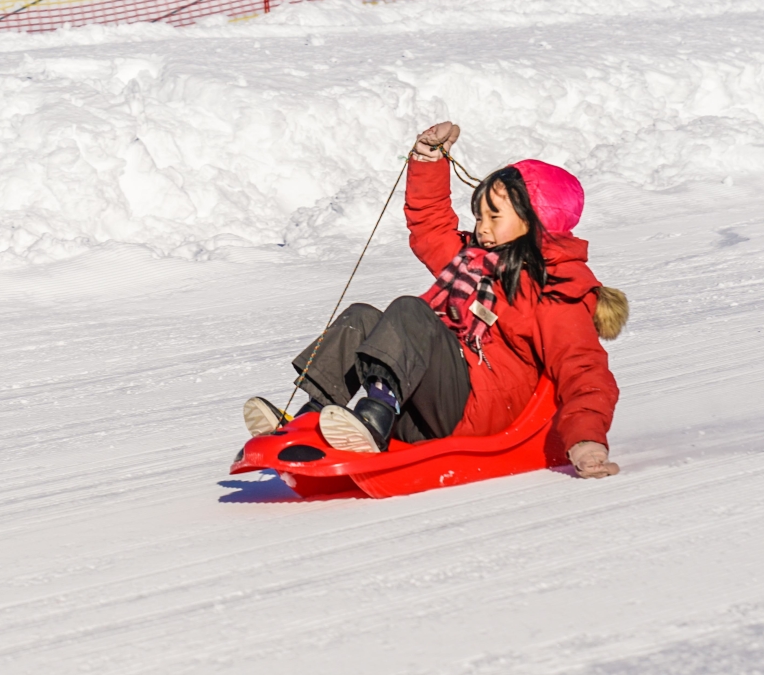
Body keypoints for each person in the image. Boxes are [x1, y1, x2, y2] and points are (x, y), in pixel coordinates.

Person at [244, 122, 628, 478]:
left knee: (412, 311)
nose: (482, 228)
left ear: (536, 221)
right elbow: (429, 224)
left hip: (476, 414)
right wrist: (430, 159)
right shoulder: (472, 260)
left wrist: (586, 440)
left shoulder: (554, 290)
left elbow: (585, 370)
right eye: (479, 216)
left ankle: (375, 418)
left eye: (495, 217)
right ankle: (305, 421)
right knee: (361, 316)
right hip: (431, 399)